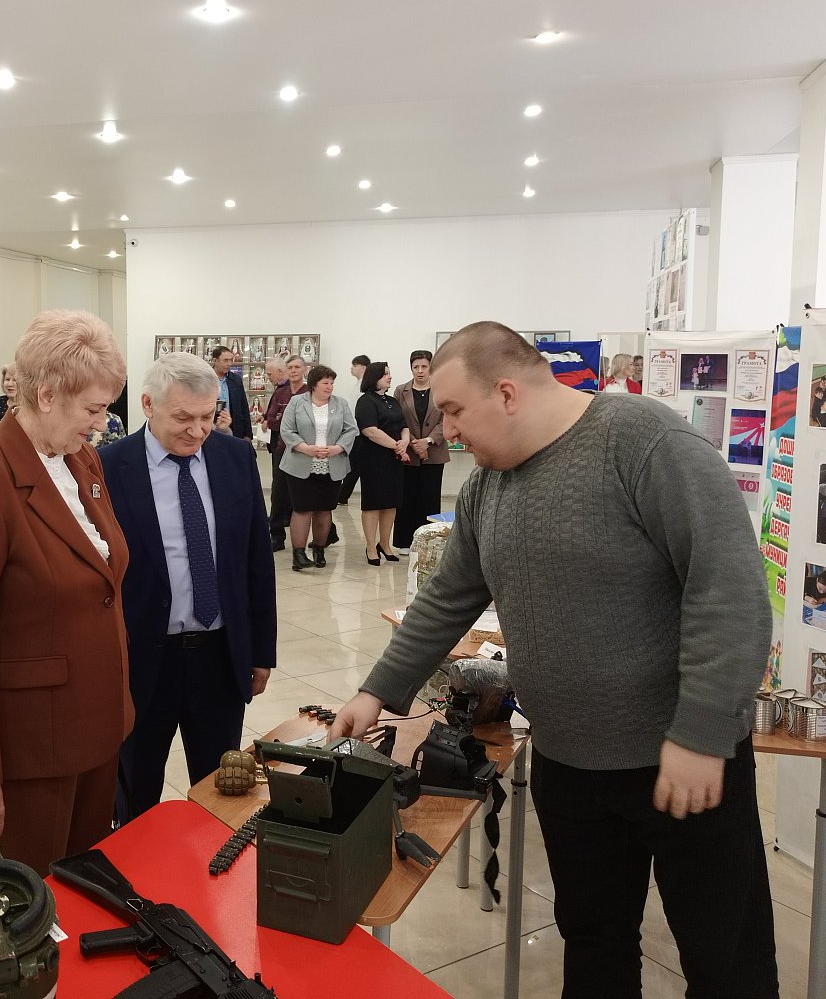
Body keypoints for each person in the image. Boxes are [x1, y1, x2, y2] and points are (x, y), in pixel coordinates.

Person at [331, 321, 777, 998]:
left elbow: (729, 592)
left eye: (454, 410)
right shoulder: (487, 487)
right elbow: (448, 597)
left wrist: (702, 732)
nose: (447, 430)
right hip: (569, 766)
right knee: (594, 946)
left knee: (725, 961)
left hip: (681, 761)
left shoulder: (646, 443)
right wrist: (377, 690)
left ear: (507, 392)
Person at [0, 309, 131, 874]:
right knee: (38, 899)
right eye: (93, 409)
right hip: (33, 747)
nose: (101, 424)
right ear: (46, 396)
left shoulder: (80, 459)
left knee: (88, 886)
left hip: (96, 724)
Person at [102, 353, 278, 821]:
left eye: (207, 416)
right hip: (142, 658)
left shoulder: (235, 457)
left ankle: (211, 863)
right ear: (147, 404)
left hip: (218, 656)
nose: (198, 430)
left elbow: (256, 561)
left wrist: (261, 651)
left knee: (220, 789)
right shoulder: (107, 467)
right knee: (136, 790)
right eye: (183, 417)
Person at [280, 364, 358, 572]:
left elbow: (351, 430)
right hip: (300, 463)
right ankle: (298, 555)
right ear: (314, 384)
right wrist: (305, 448)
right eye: (325, 382)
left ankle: (319, 550)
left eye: (332, 382)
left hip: (331, 464)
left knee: (324, 509)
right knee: (302, 509)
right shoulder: (297, 402)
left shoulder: (340, 404)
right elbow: (286, 430)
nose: (330, 386)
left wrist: (337, 448)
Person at [393, 350, 449, 553]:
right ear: (411, 368)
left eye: (424, 366)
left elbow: (446, 419)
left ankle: (427, 543)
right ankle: (403, 541)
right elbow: (397, 419)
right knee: (406, 498)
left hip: (434, 453)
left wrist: (428, 441)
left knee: (429, 498)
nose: (420, 371)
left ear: (431, 367)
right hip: (408, 453)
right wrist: (414, 443)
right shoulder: (401, 391)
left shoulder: (442, 389)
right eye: (416, 367)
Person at [353, 360, 408, 565]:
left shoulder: (392, 401)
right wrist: (397, 446)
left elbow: (404, 426)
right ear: (374, 377)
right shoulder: (365, 401)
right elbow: (370, 431)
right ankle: (370, 547)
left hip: (394, 458)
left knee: (391, 502)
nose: (390, 376)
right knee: (373, 503)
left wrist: (404, 442)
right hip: (373, 458)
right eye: (385, 374)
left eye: (389, 373)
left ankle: (385, 544)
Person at [262, 354, 306, 551]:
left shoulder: (309, 393)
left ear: (304, 370)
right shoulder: (281, 393)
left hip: (305, 450)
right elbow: (271, 419)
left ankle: (327, 533)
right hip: (282, 448)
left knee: (305, 493)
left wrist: (284, 420)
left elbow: (309, 422)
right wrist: (286, 422)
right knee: (279, 493)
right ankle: (277, 536)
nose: (294, 371)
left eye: (297, 367)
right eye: (291, 367)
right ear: (285, 371)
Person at [336, 354, 371, 505]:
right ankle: (342, 496)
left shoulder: (365, 387)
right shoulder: (357, 385)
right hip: (354, 432)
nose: (351, 368)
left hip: (361, 433)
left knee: (355, 466)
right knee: (353, 466)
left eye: (354, 365)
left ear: (363, 368)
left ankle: (342, 496)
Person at [209, 345, 252, 440]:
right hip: (212, 428)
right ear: (215, 361)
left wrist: (248, 434)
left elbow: (244, 407)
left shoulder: (236, 380)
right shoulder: (206, 380)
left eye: (231, 360)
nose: (229, 364)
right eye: (225, 360)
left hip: (235, 428)